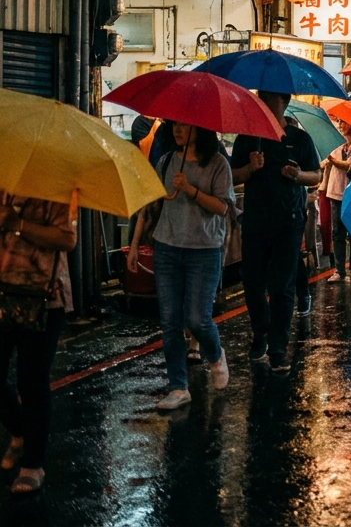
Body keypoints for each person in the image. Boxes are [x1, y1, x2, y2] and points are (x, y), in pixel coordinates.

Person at [127, 122, 235, 409]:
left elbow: (223, 207)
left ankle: (215, 354)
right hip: (167, 248)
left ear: (201, 129)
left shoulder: (218, 164)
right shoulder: (165, 162)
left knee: (197, 318)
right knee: (170, 321)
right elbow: (150, 204)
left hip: (204, 250)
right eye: (175, 125)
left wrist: (190, 189)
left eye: (185, 126)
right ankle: (178, 387)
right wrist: (136, 244)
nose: (178, 130)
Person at [230, 91, 321, 373]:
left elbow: (316, 175)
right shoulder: (247, 138)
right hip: (256, 221)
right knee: (254, 284)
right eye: (261, 97)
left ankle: (279, 348)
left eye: (269, 97)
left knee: (282, 286)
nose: (263, 102)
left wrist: (297, 176)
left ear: (283, 100)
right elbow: (231, 176)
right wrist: (249, 168)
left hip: (289, 221)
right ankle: (261, 335)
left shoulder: (299, 139)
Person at [0, 193, 76, 493]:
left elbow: (67, 239)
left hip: (43, 297)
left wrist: (17, 223)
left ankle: (33, 464)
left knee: (31, 380)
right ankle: (21, 431)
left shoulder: (56, 186)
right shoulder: (5, 181)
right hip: (3, 291)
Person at [325, 119, 351, 283]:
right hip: (335, 191)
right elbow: (323, 163)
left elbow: (350, 166)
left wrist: (332, 161)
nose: (341, 124)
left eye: (344, 122)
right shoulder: (335, 142)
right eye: (340, 122)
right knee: (337, 233)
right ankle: (339, 270)